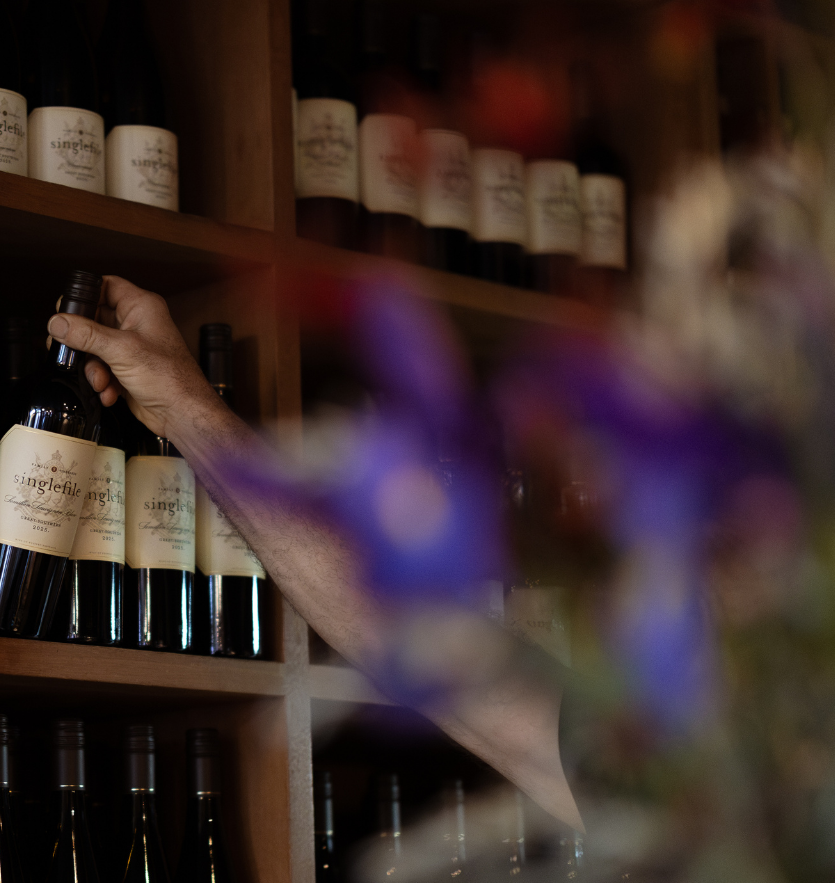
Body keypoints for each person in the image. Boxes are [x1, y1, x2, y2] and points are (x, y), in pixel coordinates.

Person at [49, 276, 581, 830]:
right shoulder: (646, 752)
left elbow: (469, 687)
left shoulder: (657, 761)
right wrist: (180, 405)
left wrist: (181, 406)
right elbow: (440, 659)